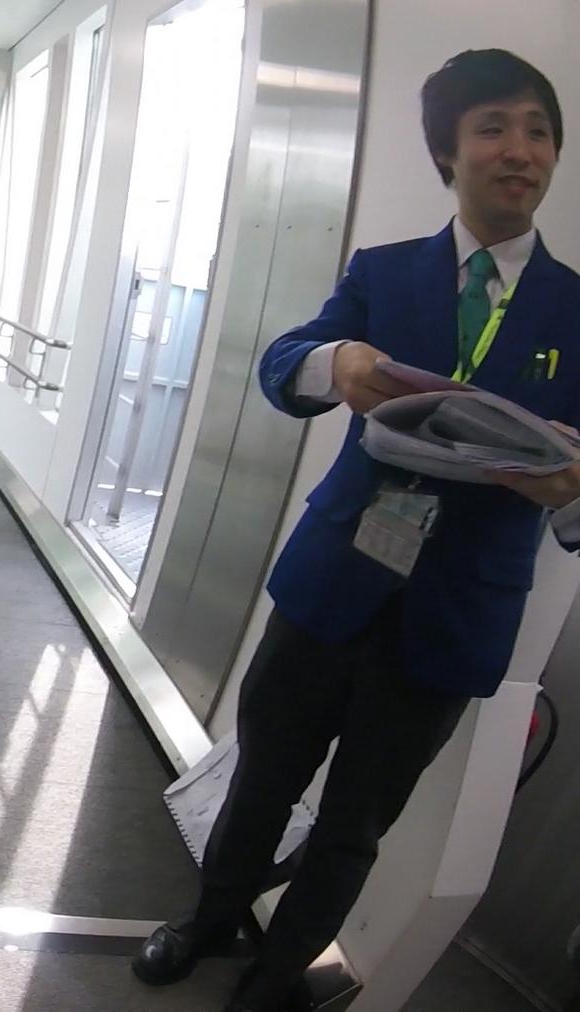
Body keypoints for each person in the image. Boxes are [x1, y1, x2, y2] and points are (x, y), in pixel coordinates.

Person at [133, 50, 577, 1012]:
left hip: (457, 611)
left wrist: (570, 489)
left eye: (539, 130)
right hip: (336, 578)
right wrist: (334, 363)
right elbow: (282, 363)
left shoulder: (579, 310)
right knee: (263, 778)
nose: (521, 150)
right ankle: (209, 921)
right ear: (446, 154)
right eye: (494, 127)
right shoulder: (384, 274)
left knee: (357, 822)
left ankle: (277, 971)